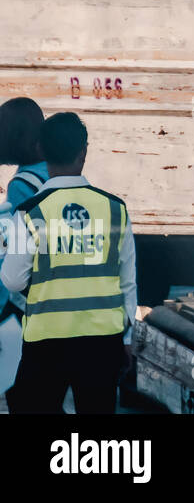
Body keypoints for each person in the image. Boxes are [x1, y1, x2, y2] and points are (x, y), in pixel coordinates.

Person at [2, 112, 136, 414]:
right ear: (84, 152)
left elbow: (12, 280)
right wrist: (126, 339)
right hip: (103, 341)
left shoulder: (29, 212)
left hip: (47, 340)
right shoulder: (115, 210)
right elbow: (128, 281)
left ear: (41, 151)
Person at [0, 97, 49, 394]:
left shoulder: (21, 185)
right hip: (59, 301)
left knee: (24, 394)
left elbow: (18, 254)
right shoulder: (51, 171)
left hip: (26, 308)